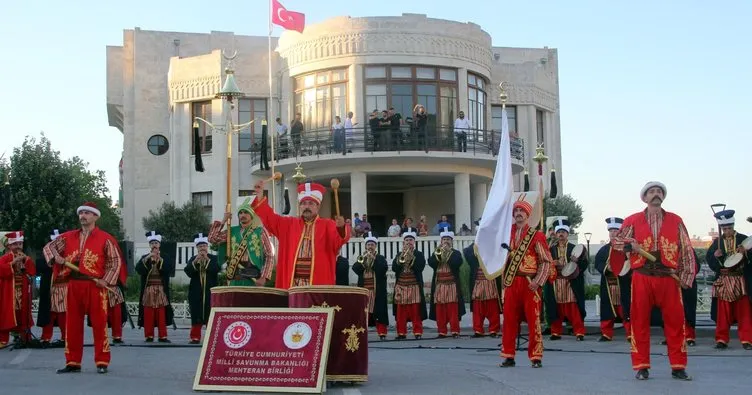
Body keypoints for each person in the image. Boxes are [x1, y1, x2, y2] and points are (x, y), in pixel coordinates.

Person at [610, 181, 696, 381]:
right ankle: (641, 366)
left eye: (659, 191)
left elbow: (686, 249)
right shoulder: (632, 220)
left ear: (663, 196)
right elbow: (616, 241)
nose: (656, 194)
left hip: (668, 277)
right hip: (643, 276)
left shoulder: (676, 220)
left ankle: (678, 366)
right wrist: (630, 244)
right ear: (645, 198)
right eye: (652, 192)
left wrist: (687, 276)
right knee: (639, 322)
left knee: (675, 322)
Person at [43, 202, 122, 374]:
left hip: (95, 285)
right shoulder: (68, 237)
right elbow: (48, 247)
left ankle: (102, 361)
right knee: (72, 324)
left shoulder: (105, 238)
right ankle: (73, 361)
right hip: (73, 284)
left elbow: (115, 261)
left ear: (95, 216)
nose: (83, 216)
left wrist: (106, 280)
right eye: (81, 213)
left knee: (100, 324)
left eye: (87, 213)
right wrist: (56, 257)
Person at [251, 180, 350, 288]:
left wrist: (340, 227)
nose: (306, 206)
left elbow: (339, 241)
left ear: (318, 206)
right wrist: (260, 195)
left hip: (318, 284)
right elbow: (270, 218)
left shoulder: (328, 225)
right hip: (292, 285)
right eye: (303, 203)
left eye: (311, 203)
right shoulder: (289, 224)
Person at [500, 198, 552, 369]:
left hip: (530, 283)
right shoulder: (506, 235)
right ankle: (508, 355)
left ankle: (536, 356)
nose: (518, 214)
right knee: (508, 320)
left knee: (533, 320)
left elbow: (545, 261)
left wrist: (538, 282)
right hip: (511, 282)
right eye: (516, 212)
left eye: (521, 211)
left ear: (528, 215)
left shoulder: (537, 235)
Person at [705, 209, 752, 350]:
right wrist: (716, 256)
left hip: (740, 279)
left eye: (729, 228)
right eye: (724, 229)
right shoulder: (717, 242)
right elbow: (709, 259)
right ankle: (721, 339)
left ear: (733, 226)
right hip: (724, 280)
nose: (727, 231)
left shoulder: (743, 239)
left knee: (744, 311)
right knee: (722, 313)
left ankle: (747, 339)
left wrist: (746, 253)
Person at [208, 197, 274, 286]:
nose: (243, 215)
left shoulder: (260, 231)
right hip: (235, 277)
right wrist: (223, 220)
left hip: (253, 278)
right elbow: (212, 239)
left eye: (246, 212)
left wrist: (264, 277)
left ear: (251, 215)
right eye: (240, 213)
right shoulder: (232, 231)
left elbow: (269, 255)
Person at [545, 219, 588, 341]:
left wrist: (575, 263)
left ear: (567, 234)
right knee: (555, 307)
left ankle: (579, 332)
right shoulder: (551, 249)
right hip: (555, 283)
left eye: (563, 232)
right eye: (559, 232)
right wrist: (553, 263)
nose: (561, 234)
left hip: (570, 282)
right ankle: (555, 332)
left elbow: (585, 263)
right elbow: (544, 263)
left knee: (573, 307)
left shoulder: (575, 248)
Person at [593, 217, 631, 342]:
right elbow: (598, 263)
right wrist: (606, 268)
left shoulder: (627, 248)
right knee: (607, 308)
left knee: (626, 308)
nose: (613, 233)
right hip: (608, 284)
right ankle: (606, 333)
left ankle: (630, 333)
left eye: (616, 230)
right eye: (611, 231)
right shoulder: (603, 250)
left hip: (624, 283)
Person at [136, 230, 174, 343]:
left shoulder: (165, 257)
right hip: (148, 290)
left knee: (161, 313)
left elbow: (168, 269)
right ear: (149, 245)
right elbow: (138, 270)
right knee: (148, 313)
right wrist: (148, 258)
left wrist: (159, 260)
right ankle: (149, 335)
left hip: (161, 289)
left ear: (159, 244)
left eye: (156, 243)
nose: (154, 245)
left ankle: (163, 336)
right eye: (152, 243)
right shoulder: (145, 257)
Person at [0, 231, 36, 348]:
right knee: (6, 314)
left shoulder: (26, 258)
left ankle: (24, 338)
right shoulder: (5, 258)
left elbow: (31, 272)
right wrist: (12, 263)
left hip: (23, 290)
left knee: (23, 314)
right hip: (9, 291)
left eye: (20, 244)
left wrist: (27, 261)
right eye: (15, 244)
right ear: (9, 246)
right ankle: (3, 340)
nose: (18, 246)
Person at [428, 227, 466, 338]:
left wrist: (447, 253)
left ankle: (455, 330)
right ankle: (442, 331)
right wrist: (438, 255)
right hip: (439, 285)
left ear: (451, 241)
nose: (446, 241)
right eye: (444, 239)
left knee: (452, 309)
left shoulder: (456, 253)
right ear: (441, 241)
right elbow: (431, 263)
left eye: (448, 239)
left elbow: (456, 264)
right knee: (440, 309)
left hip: (452, 285)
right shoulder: (436, 252)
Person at [184, 233, 220, 344]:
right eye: (200, 247)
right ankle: (195, 337)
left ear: (207, 246)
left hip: (210, 291)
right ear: (197, 248)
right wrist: (195, 262)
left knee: (210, 313)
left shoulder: (213, 258)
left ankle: (211, 338)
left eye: (204, 246)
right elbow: (188, 272)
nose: (202, 248)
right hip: (196, 292)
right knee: (196, 313)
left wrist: (207, 260)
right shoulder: (193, 259)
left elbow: (216, 270)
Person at [352, 232, 389, 339]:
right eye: (368, 245)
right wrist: (363, 261)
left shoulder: (380, 258)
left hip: (377, 290)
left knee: (379, 312)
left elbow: (383, 270)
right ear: (365, 246)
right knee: (364, 312)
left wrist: (374, 259)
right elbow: (355, 269)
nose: (370, 247)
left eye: (372, 245)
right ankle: (362, 333)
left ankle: (382, 333)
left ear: (375, 246)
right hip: (365, 290)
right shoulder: (361, 257)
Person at [392, 228, 427, 339]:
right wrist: (401, 259)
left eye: (411, 240)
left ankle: (417, 332)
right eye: (406, 240)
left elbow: (420, 268)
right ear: (403, 242)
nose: (408, 242)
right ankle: (401, 332)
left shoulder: (419, 254)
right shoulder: (399, 254)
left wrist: (411, 259)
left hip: (414, 285)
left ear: (414, 242)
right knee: (400, 311)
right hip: (401, 285)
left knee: (415, 310)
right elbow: (394, 268)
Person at [463, 242, 502, 338]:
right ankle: (478, 329)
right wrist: (477, 243)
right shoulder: (473, 248)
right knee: (477, 308)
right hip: (478, 282)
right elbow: (467, 253)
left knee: (492, 307)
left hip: (490, 282)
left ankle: (494, 329)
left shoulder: (493, 247)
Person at [37, 229, 68, 347]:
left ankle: (65, 337)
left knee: (63, 313)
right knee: (48, 313)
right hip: (50, 289)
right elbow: (39, 267)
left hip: (64, 287)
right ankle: (45, 337)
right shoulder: (45, 255)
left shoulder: (68, 254)